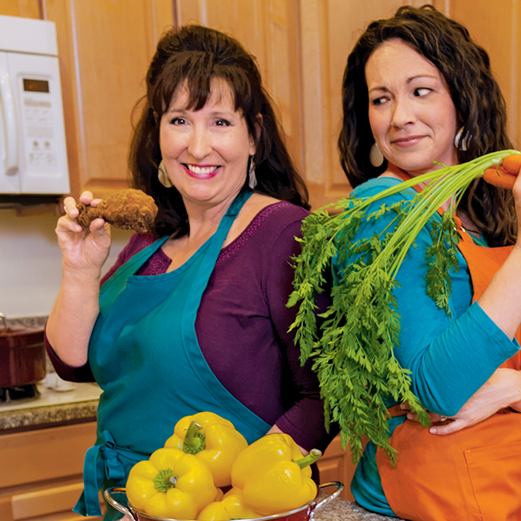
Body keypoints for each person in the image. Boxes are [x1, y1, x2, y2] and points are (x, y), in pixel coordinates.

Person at [45, 25, 335, 518]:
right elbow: (72, 364)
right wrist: (79, 270)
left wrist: (243, 496)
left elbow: (323, 395)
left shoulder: (284, 233)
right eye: (180, 120)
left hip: (220, 509)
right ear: (158, 133)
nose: (198, 147)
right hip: (123, 502)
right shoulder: (151, 238)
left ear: (253, 136)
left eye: (220, 122)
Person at [333, 5, 521, 520]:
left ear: (462, 100)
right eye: (381, 99)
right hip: (407, 508)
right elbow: (437, 390)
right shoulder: (381, 211)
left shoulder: (482, 213)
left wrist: (507, 387)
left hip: (497, 502)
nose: (399, 116)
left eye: (420, 91)